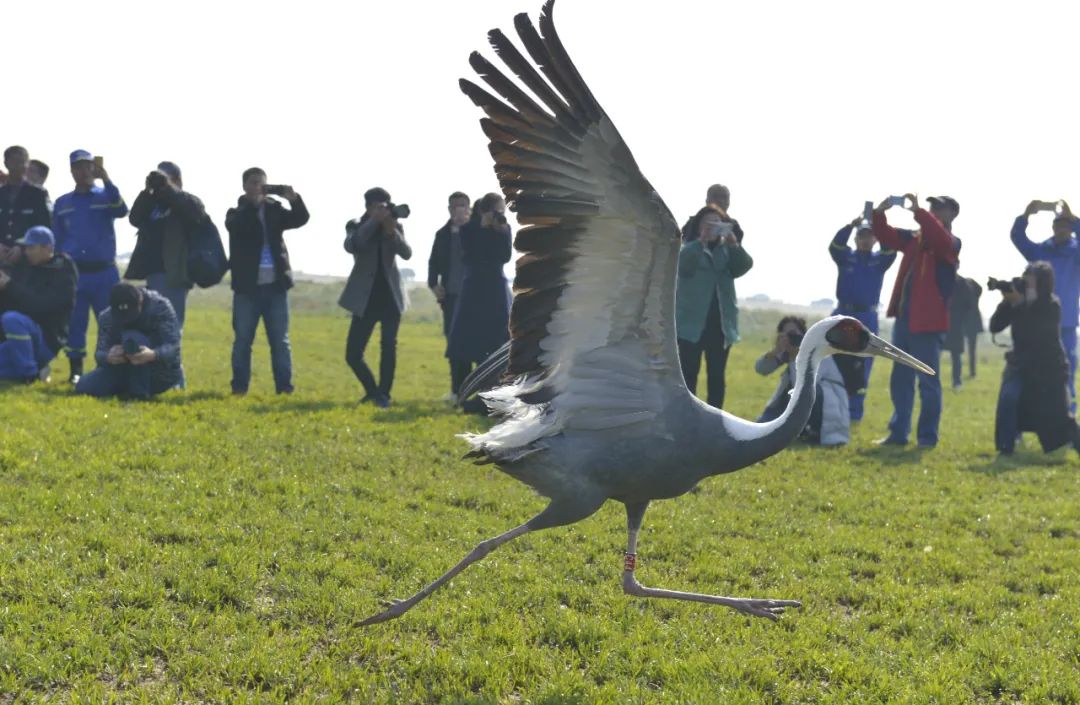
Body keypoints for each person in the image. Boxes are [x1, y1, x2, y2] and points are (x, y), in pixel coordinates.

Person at [872, 195, 961, 448]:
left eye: (939, 208)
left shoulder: (952, 243)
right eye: (932, 207)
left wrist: (919, 211)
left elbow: (940, 238)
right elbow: (886, 236)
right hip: (905, 321)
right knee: (900, 379)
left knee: (927, 383)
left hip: (928, 325)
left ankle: (927, 437)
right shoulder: (914, 238)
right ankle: (898, 433)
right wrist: (879, 213)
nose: (933, 211)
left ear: (952, 215)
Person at [225, 168, 309, 395]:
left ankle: (284, 389)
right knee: (243, 341)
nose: (257, 188)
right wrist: (252, 205)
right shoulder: (235, 212)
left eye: (262, 184)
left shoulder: (275, 210)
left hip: (276, 287)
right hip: (247, 289)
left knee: (280, 342)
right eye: (253, 183)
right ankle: (239, 388)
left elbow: (301, 219)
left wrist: (294, 200)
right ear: (244, 186)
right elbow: (237, 227)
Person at [52, 150, 129, 383]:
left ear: (94, 169)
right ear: (71, 171)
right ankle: (76, 371)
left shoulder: (105, 196)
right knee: (75, 322)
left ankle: (109, 367)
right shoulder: (62, 203)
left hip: (105, 272)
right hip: (75, 273)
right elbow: (57, 237)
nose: (83, 171)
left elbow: (122, 210)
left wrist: (107, 179)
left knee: (110, 321)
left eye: (88, 166)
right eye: (78, 167)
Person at [989, 262, 1080, 456]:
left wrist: (1020, 305)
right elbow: (995, 326)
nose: (1026, 281)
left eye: (1032, 278)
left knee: (1058, 417)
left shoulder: (1051, 304)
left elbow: (1038, 334)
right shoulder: (1017, 300)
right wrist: (1008, 303)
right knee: (1008, 399)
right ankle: (1005, 449)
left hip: (1047, 368)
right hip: (1020, 364)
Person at [339, 187, 413, 407]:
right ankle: (373, 391)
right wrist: (374, 222)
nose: (382, 210)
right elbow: (354, 245)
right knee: (353, 353)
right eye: (377, 206)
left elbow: (407, 253)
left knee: (388, 347)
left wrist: (392, 231)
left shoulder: (395, 226)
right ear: (368, 207)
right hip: (365, 299)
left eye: (385, 206)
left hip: (391, 297)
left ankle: (384, 394)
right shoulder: (356, 225)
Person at [675, 205, 753, 408]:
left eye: (717, 224)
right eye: (707, 223)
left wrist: (734, 245)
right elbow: (682, 266)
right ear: (698, 226)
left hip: (720, 326)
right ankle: (687, 416)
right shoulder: (689, 248)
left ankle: (716, 420)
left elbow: (744, 266)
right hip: (690, 325)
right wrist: (701, 241)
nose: (712, 228)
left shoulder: (727, 252)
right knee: (688, 374)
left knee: (716, 376)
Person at [1010, 200, 1080, 408]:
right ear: (1053, 227)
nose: (1062, 229)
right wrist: (1025, 215)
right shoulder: (1041, 251)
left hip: (1066, 321)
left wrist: (1075, 219)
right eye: (1059, 225)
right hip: (1039, 319)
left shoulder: (1076, 253)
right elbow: (1018, 239)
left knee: (1066, 363)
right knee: (1035, 362)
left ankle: (1067, 405)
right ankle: (1037, 405)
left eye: (1067, 226)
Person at [447, 193, 513, 412]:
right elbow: (471, 255)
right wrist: (484, 228)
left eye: (502, 211)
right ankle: (463, 391)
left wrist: (499, 230)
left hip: (495, 290)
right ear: (484, 211)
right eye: (496, 211)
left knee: (495, 342)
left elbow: (504, 256)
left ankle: (491, 396)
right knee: (467, 341)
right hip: (474, 290)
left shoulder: (503, 229)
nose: (500, 215)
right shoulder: (469, 229)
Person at [829, 213, 897, 420]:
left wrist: (879, 225)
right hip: (843, 313)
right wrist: (850, 225)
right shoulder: (845, 256)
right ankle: (833, 407)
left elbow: (891, 250)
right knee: (835, 361)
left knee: (863, 363)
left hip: (867, 316)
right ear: (856, 238)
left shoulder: (879, 261)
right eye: (862, 236)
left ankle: (854, 412)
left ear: (875, 239)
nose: (865, 240)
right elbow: (834, 245)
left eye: (870, 236)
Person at [125, 162, 208, 328]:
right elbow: (134, 218)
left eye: (165, 178)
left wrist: (169, 189)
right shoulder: (152, 203)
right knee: (152, 326)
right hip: (153, 273)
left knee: (171, 327)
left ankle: (170, 355)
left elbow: (195, 216)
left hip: (175, 275)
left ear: (177, 180)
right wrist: (147, 191)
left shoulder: (188, 201)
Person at [74, 283, 183, 399]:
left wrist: (153, 354)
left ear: (140, 301)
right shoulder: (106, 317)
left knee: (133, 337)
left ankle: (139, 393)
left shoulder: (160, 307)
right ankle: (127, 388)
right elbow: (99, 353)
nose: (126, 319)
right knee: (83, 386)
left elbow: (173, 346)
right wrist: (109, 357)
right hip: (121, 369)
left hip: (158, 372)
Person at [755, 316, 851, 446]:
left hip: (828, 401)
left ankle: (814, 430)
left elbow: (809, 384)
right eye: (786, 335)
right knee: (764, 425)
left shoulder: (817, 350)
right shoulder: (786, 352)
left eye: (794, 334)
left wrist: (797, 355)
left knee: (808, 392)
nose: (791, 338)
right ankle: (796, 430)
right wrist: (776, 351)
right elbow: (761, 369)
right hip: (797, 397)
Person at [0, 226, 76, 381]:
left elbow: (40, 306)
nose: (26, 251)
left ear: (47, 248)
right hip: (21, 339)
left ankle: (30, 374)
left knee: (12, 319)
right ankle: (38, 370)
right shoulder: (28, 267)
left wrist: (10, 285)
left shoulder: (62, 271)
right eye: (26, 247)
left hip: (47, 339)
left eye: (31, 247)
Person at [428, 191, 472, 401]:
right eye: (454, 206)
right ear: (448, 209)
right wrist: (433, 285)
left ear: (470, 208)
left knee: (476, 344)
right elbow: (433, 262)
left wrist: (466, 228)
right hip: (451, 298)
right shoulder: (442, 234)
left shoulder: (477, 233)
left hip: (475, 297)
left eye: (462, 205)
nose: (458, 210)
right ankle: (457, 390)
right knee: (454, 345)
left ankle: (479, 391)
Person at [0, 146, 51, 263]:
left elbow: (44, 227)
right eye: (15, 162)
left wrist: (22, 246)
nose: (20, 166)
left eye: (23, 162)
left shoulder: (37, 194)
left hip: (28, 260)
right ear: (6, 163)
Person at [945, 276, 983, 388]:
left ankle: (961, 378)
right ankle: (961, 378)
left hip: (957, 322)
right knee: (959, 352)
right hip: (961, 322)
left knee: (955, 352)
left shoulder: (959, 286)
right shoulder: (968, 290)